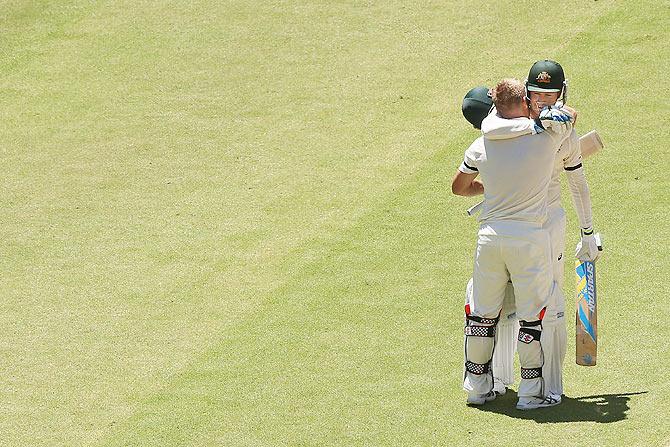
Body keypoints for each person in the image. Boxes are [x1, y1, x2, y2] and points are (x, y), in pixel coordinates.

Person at [469, 60, 601, 401]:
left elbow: (577, 183)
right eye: (537, 94)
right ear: (526, 96)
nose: (544, 101)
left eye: (550, 94)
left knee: (543, 303)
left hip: (538, 224)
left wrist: (588, 231)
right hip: (521, 226)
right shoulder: (532, 126)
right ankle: (503, 383)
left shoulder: (523, 128)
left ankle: (547, 387)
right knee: (515, 305)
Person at [452, 78, 574, 410]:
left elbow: (459, 187)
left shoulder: (479, 146)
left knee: (482, 315)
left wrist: (491, 190)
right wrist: (550, 112)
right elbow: (570, 117)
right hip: (528, 239)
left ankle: (478, 389)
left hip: (489, 238)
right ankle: (530, 394)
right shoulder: (545, 139)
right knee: (532, 317)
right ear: (524, 102)